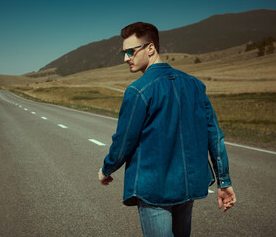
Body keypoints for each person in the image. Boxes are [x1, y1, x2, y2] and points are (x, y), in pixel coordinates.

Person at [98, 22, 236, 237]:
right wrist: (224, 181)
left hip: (153, 190)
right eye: (124, 52)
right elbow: (214, 136)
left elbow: (124, 141)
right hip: (187, 187)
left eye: (130, 52)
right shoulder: (195, 85)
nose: (125, 58)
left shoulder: (138, 90)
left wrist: (106, 169)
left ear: (150, 48)